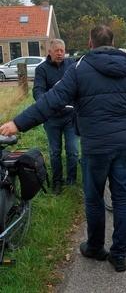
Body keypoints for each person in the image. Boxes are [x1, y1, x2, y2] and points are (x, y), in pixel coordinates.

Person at [0, 25, 126, 273]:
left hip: (95, 146)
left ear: (90, 43)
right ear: (113, 43)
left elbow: (52, 100)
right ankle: (119, 255)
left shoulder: (81, 68)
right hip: (124, 144)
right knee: (123, 199)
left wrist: (17, 123)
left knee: (94, 198)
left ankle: (95, 247)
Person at [33, 38, 78, 195]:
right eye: (56, 50)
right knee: (54, 151)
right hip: (52, 118)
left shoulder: (72, 65)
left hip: (71, 116)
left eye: (62, 50)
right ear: (50, 52)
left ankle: (71, 180)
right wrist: (45, 103)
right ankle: (57, 181)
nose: (60, 53)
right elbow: (38, 90)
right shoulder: (42, 69)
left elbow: (80, 83)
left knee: (73, 151)